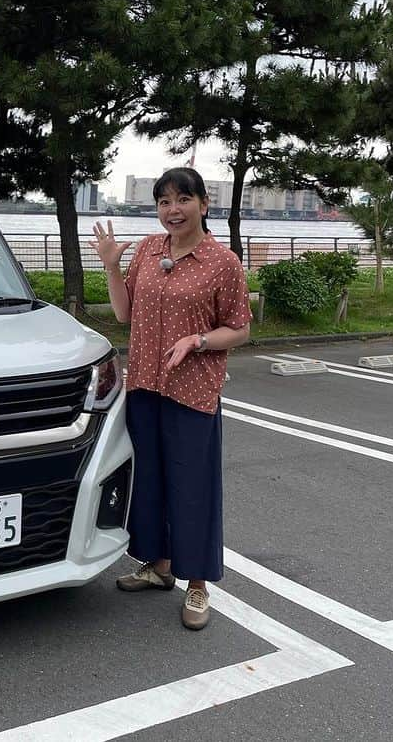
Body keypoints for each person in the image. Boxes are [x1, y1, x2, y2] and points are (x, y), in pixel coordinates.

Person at [89, 167, 251, 630]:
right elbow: (124, 313)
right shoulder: (146, 249)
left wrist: (198, 341)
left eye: (182, 199)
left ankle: (197, 584)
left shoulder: (223, 262)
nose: (172, 210)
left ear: (203, 204)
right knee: (150, 480)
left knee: (192, 487)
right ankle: (157, 565)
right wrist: (110, 266)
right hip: (144, 384)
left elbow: (239, 328)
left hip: (193, 390)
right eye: (163, 201)